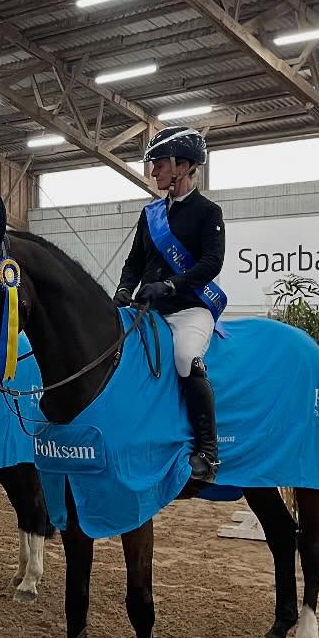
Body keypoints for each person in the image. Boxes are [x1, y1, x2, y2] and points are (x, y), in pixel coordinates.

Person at [114, 125, 227, 482]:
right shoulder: (150, 215)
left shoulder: (208, 212)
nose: (153, 172)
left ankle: (208, 452)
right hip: (149, 310)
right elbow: (134, 262)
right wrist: (124, 288)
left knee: (185, 358)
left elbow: (211, 263)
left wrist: (170, 285)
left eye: (159, 164)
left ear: (183, 165)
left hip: (189, 309)